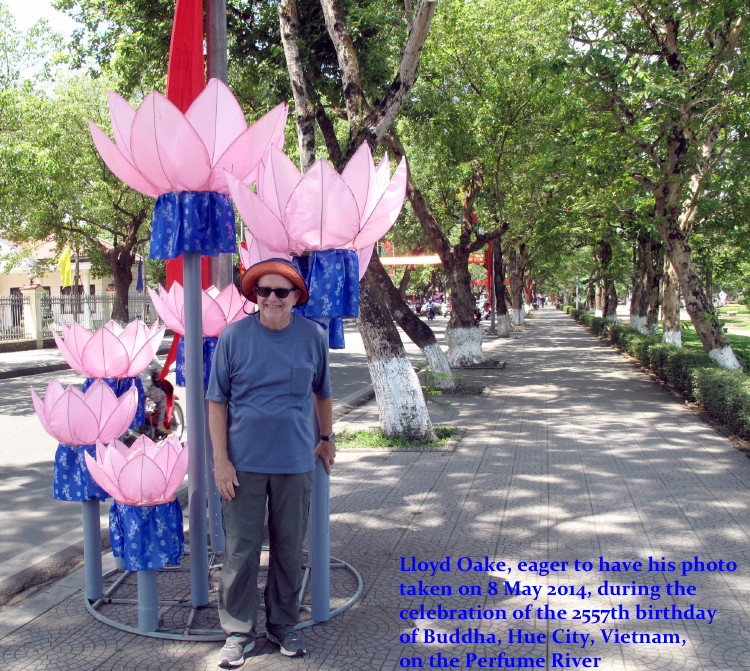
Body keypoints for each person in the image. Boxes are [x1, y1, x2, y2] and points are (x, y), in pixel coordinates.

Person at [207, 258, 335, 668]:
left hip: (295, 462)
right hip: (242, 465)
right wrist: (221, 460)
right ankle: (238, 632)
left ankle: (282, 625)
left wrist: (327, 438)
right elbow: (216, 402)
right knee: (241, 550)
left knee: (288, 548)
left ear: (296, 297)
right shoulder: (233, 337)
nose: (272, 299)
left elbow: (323, 393)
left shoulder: (313, 337)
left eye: (281, 291)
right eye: (264, 291)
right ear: (254, 296)